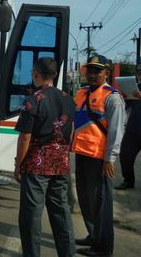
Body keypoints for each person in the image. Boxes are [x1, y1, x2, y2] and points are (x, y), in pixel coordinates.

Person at [13, 57, 76, 257]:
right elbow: (72, 129)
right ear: (55, 74)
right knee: (62, 213)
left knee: (31, 215)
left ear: (35, 74)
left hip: (37, 164)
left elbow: (25, 137)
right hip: (61, 162)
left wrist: (18, 164)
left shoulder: (32, 102)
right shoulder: (68, 99)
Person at [72, 55, 126, 257]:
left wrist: (109, 159)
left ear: (107, 73)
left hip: (99, 159)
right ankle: (93, 236)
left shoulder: (113, 98)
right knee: (86, 199)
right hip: (82, 154)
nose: (93, 74)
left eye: (98, 71)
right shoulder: (81, 93)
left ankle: (103, 249)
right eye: (90, 71)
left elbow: (116, 131)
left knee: (101, 203)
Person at [116, 67, 141, 190]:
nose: (139, 75)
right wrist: (125, 97)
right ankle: (128, 180)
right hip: (134, 129)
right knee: (125, 155)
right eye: (138, 73)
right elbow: (126, 106)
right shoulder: (137, 88)